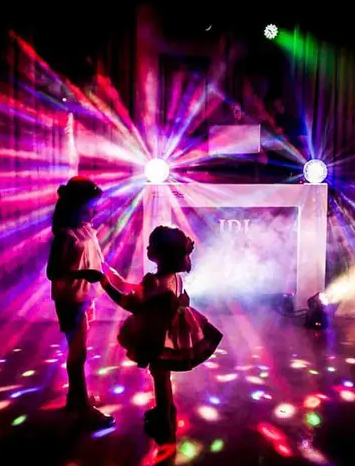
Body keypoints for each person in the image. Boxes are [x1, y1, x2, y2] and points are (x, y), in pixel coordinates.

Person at [81, 226, 223, 444]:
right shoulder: (175, 277)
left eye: (151, 246)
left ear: (161, 253)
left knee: (160, 377)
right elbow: (141, 290)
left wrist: (104, 283)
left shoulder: (152, 281)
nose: (147, 249)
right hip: (172, 335)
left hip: (158, 336)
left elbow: (129, 303)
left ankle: (164, 423)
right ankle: (167, 415)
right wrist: (110, 275)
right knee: (164, 377)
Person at [45, 176, 114, 429]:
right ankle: (82, 407)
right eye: (90, 206)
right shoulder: (66, 235)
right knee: (78, 353)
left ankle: (76, 397)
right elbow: (53, 272)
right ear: (77, 206)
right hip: (71, 300)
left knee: (80, 351)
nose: (95, 210)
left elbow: (97, 260)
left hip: (84, 297)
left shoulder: (86, 229)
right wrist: (83, 274)